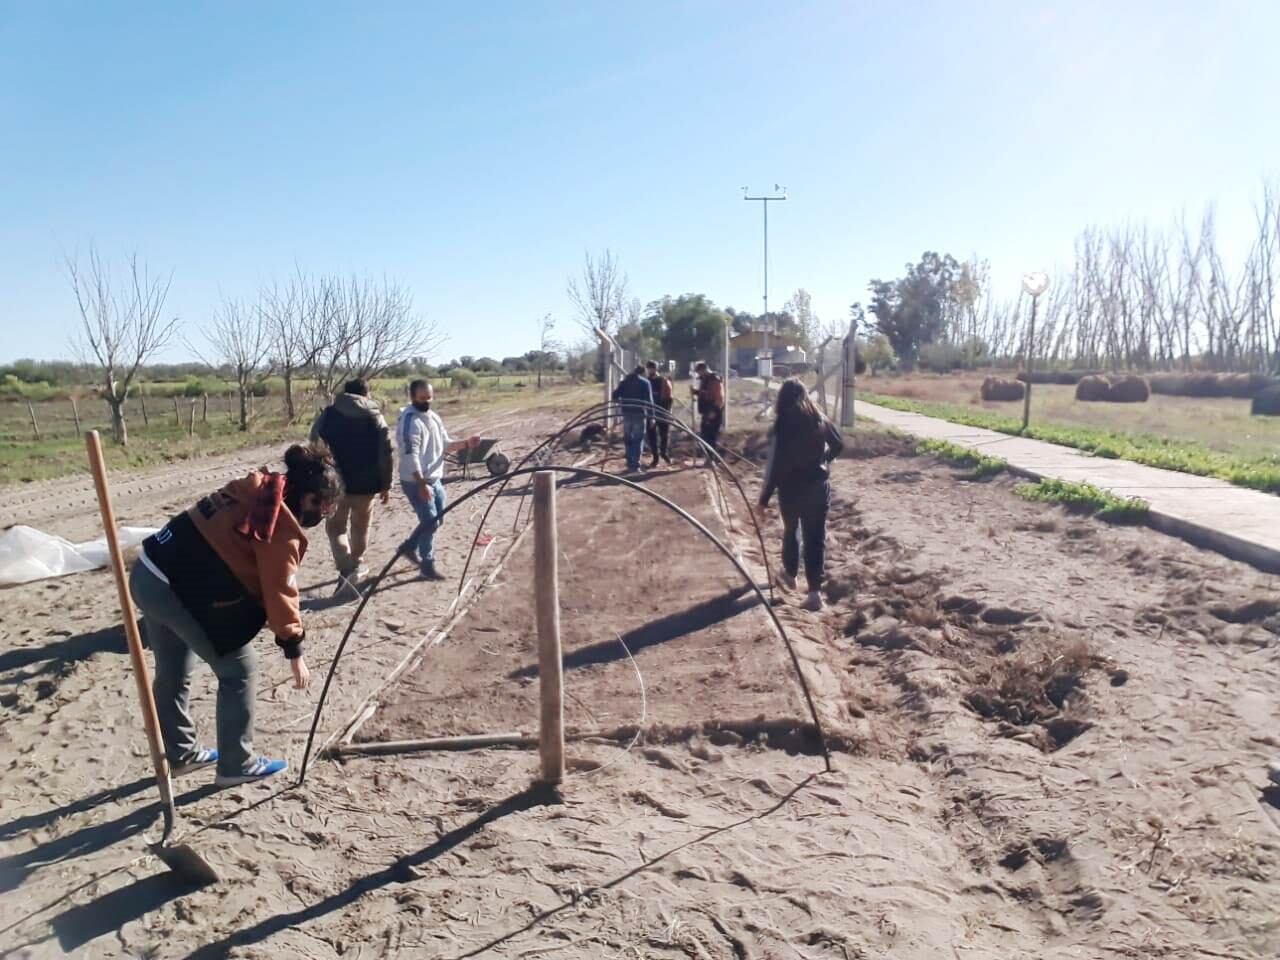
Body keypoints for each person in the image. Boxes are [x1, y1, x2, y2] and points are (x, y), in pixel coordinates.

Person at [129, 443, 341, 786]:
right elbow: (281, 592)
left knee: (173, 668)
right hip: (173, 589)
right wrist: (294, 650)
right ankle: (236, 764)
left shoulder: (258, 486)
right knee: (239, 669)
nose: (323, 515)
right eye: (325, 507)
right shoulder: (279, 526)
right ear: (309, 498)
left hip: (147, 572)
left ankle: (181, 753)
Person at [754, 378, 844, 612]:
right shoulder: (820, 419)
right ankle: (814, 593)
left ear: (781, 398)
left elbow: (776, 465)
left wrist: (763, 499)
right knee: (816, 538)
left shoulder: (782, 424)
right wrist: (824, 459)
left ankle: (791, 575)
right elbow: (838, 445)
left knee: (791, 529)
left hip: (791, 489)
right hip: (817, 485)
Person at [310, 378, 392, 586]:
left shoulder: (328, 414)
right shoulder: (376, 417)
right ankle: (356, 563)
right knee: (361, 527)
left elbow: (314, 444)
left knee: (335, 528)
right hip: (367, 485)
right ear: (366, 394)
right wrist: (386, 484)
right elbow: (386, 452)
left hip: (334, 484)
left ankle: (346, 568)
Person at [397, 379, 481, 580]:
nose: (426, 402)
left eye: (429, 397)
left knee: (437, 519)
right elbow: (410, 456)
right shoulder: (410, 421)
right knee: (429, 521)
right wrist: (420, 484)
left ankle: (409, 546)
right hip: (415, 480)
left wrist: (466, 444)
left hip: (435, 479)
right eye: (422, 398)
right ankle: (427, 564)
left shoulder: (434, 418)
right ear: (412, 397)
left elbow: (445, 444)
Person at [612, 364, 654, 472]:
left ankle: (630, 461)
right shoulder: (645, 383)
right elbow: (649, 401)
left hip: (626, 414)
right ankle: (635, 464)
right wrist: (652, 416)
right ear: (643, 373)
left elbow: (614, 395)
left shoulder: (624, 382)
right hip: (639, 414)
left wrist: (621, 403)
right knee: (638, 438)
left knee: (628, 438)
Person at [691, 361, 725, 463]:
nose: (699, 375)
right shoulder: (704, 380)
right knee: (705, 435)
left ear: (704, 370)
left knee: (711, 436)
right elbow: (705, 394)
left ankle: (712, 459)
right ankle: (708, 458)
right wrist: (696, 392)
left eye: (700, 372)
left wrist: (714, 411)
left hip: (713, 412)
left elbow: (719, 398)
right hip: (706, 412)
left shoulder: (714, 379)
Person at [645, 360, 674, 467]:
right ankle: (655, 457)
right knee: (651, 435)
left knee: (664, 434)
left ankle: (664, 452)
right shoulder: (646, 381)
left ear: (656, 369)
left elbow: (670, 398)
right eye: (648, 368)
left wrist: (668, 412)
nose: (650, 370)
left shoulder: (663, 381)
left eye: (651, 368)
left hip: (662, 411)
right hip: (650, 412)